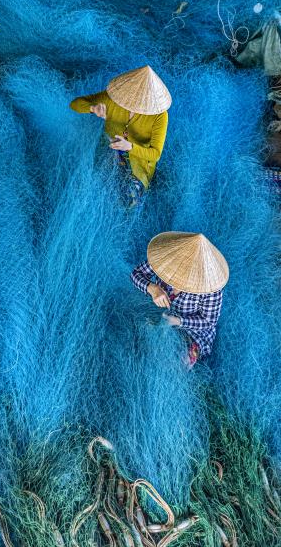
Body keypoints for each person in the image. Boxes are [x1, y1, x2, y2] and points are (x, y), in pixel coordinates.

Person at [70, 65, 171, 207]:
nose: (132, 106)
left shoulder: (160, 116)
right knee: (89, 188)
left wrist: (129, 146)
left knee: (130, 200)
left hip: (139, 160)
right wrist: (92, 108)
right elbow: (75, 104)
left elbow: (155, 154)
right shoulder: (113, 99)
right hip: (108, 150)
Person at [130, 231, 229, 367]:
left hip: (193, 330)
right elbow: (136, 274)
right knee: (137, 341)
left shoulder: (211, 288)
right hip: (159, 314)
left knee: (178, 363)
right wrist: (152, 288)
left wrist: (177, 321)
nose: (176, 282)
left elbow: (208, 321)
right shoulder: (166, 258)